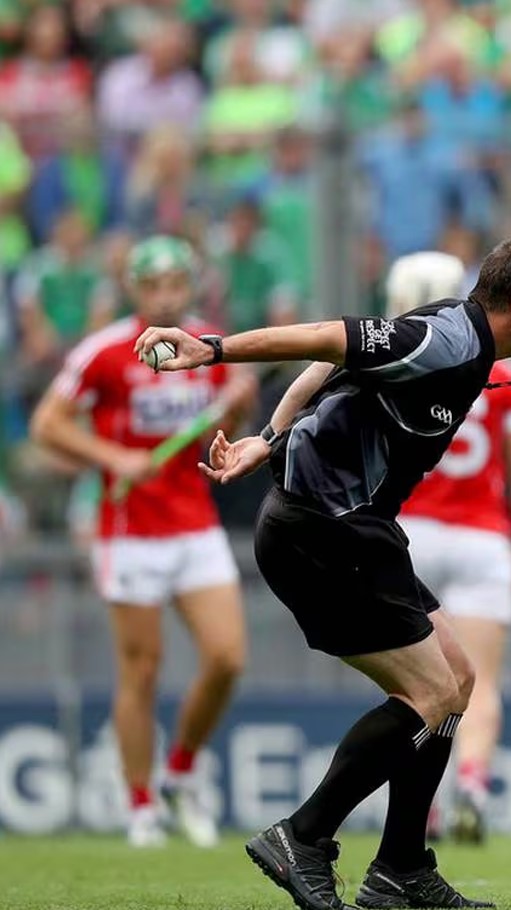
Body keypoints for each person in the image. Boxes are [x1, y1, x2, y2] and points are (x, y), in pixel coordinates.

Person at [137, 232, 511, 910]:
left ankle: (400, 868)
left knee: (457, 678)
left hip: (352, 532)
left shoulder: (454, 331)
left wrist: (272, 437)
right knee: (431, 694)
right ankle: (303, 836)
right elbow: (323, 339)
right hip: (322, 532)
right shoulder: (448, 343)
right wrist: (212, 350)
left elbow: (327, 367)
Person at [29, 235, 255, 849]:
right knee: (142, 672)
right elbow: (46, 423)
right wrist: (114, 458)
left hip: (193, 524)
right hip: (129, 532)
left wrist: (235, 409)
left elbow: (220, 439)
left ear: (191, 286)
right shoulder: (103, 353)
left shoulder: (207, 344)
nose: (165, 297)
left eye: (175, 284)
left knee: (227, 657)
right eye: (151, 286)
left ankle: (179, 775)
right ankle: (140, 807)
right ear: (134, 289)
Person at [383, 251, 511, 846]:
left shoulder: (394, 359)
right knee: (480, 680)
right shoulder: (497, 370)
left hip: (410, 534)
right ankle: (473, 787)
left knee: (417, 686)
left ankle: (420, 808)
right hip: (481, 538)